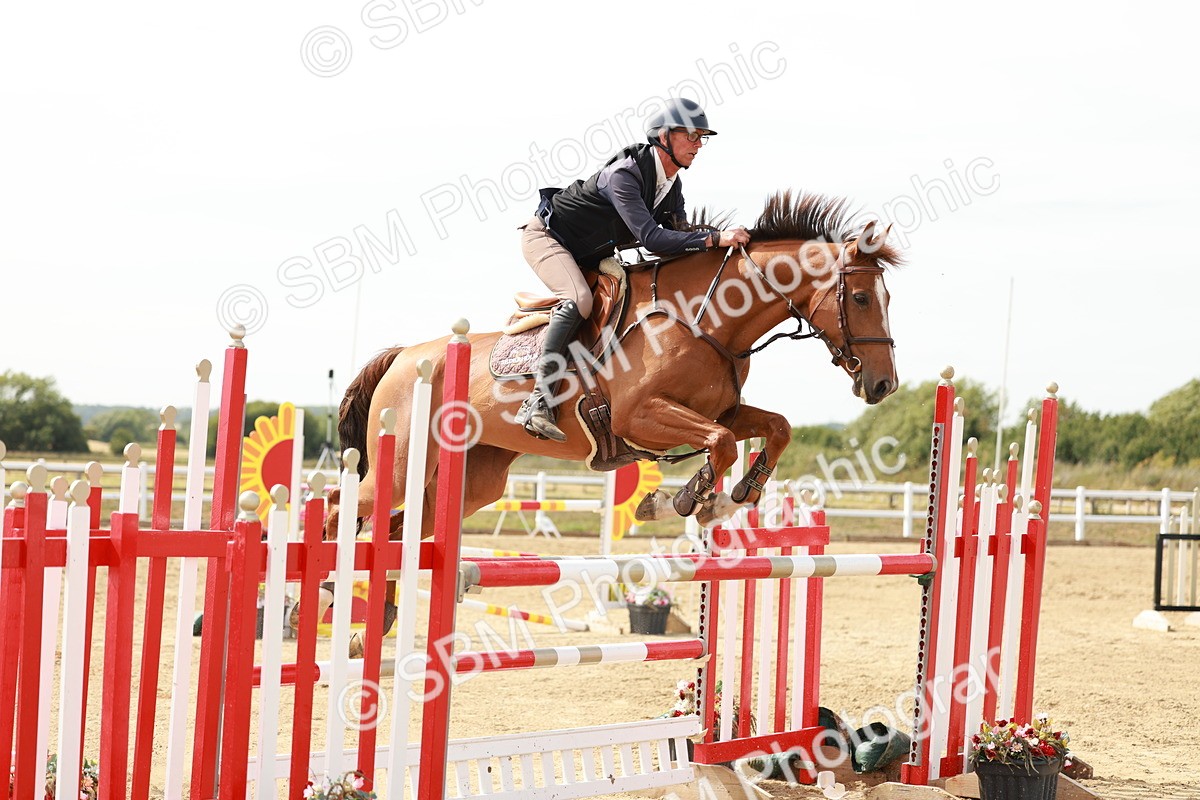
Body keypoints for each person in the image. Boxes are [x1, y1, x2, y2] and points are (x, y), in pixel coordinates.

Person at [515, 98, 752, 442]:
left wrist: (720, 243)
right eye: (692, 136)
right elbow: (653, 239)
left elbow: (681, 234)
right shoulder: (624, 174)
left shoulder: (672, 187)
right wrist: (715, 238)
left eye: (703, 137)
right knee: (580, 299)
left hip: (592, 253)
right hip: (549, 239)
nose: (699, 145)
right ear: (664, 137)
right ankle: (538, 399)